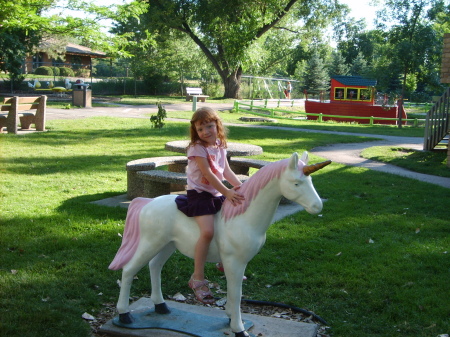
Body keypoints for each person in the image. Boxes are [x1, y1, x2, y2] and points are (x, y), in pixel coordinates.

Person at [175, 107, 245, 304]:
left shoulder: (220, 145)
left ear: (217, 126)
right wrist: (227, 192)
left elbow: (225, 170)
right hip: (199, 195)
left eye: (209, 126)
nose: (205, 132)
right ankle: (197, 278)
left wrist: (239, 186)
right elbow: (208, 174)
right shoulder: (197, 148)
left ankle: (225, 263)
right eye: (200, 129)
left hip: (216, 193)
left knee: (232, 221)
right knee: (207, 232)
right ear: (195, 132)